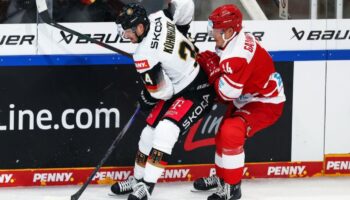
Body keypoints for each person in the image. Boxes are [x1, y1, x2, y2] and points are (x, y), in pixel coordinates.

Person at [111, 1, 215, 200]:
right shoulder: (159, 17)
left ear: (140, 27)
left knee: (165, 131)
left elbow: (163, 92)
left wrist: (147, 96)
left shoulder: (143, 55)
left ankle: (147, 187)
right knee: (147, 134)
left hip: (197, 91)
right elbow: (185, 6)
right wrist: (183, 31)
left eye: (127, 32)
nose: (126, 36)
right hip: (181, 84)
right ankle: (138, 179)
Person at [192, 4, 286, 200]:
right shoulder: (232, 40)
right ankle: (221, 178)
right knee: (221, 134)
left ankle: (233, 188)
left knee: (230, 131)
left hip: (266, 102)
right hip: (249, 95)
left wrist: (213, 71)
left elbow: (226, 95)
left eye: (216, 29)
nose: (212, 33)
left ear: (229, 31)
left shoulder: (237, 56)